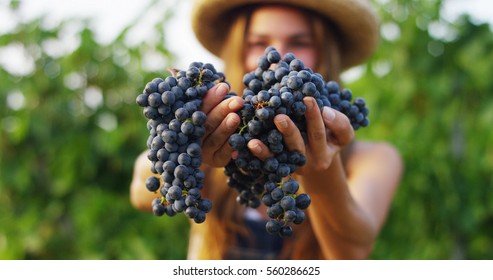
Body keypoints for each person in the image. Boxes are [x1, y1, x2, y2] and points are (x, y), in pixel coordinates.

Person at [130, 0, 403, 260]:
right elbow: (141, 190)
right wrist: (198, 152)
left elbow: (352, 256)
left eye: (300, 42)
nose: (276, 57)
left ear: (326, 51)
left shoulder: (373, 158)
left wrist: (322, 171)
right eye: (258, 43)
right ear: (237, 49)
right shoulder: (224, 132)